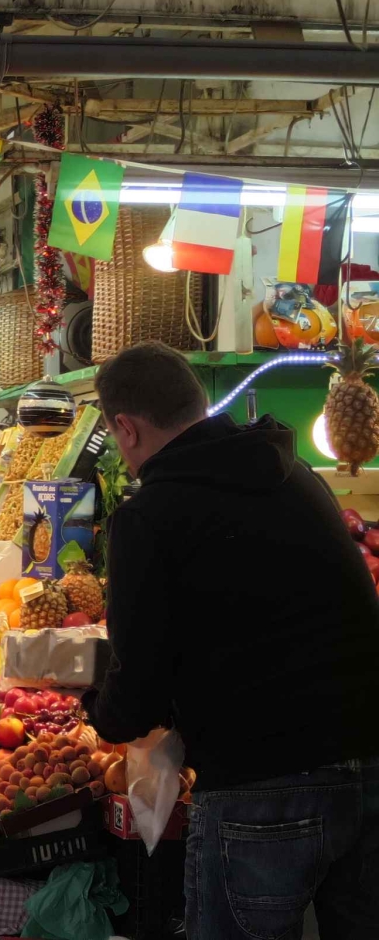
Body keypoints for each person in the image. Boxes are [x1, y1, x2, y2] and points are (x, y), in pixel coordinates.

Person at [83, 341, 379, 940]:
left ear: (126, 428)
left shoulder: (149, 517)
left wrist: (92, 704)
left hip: (262, 786)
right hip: (370, 767)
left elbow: (136, 697)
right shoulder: (296, 475)